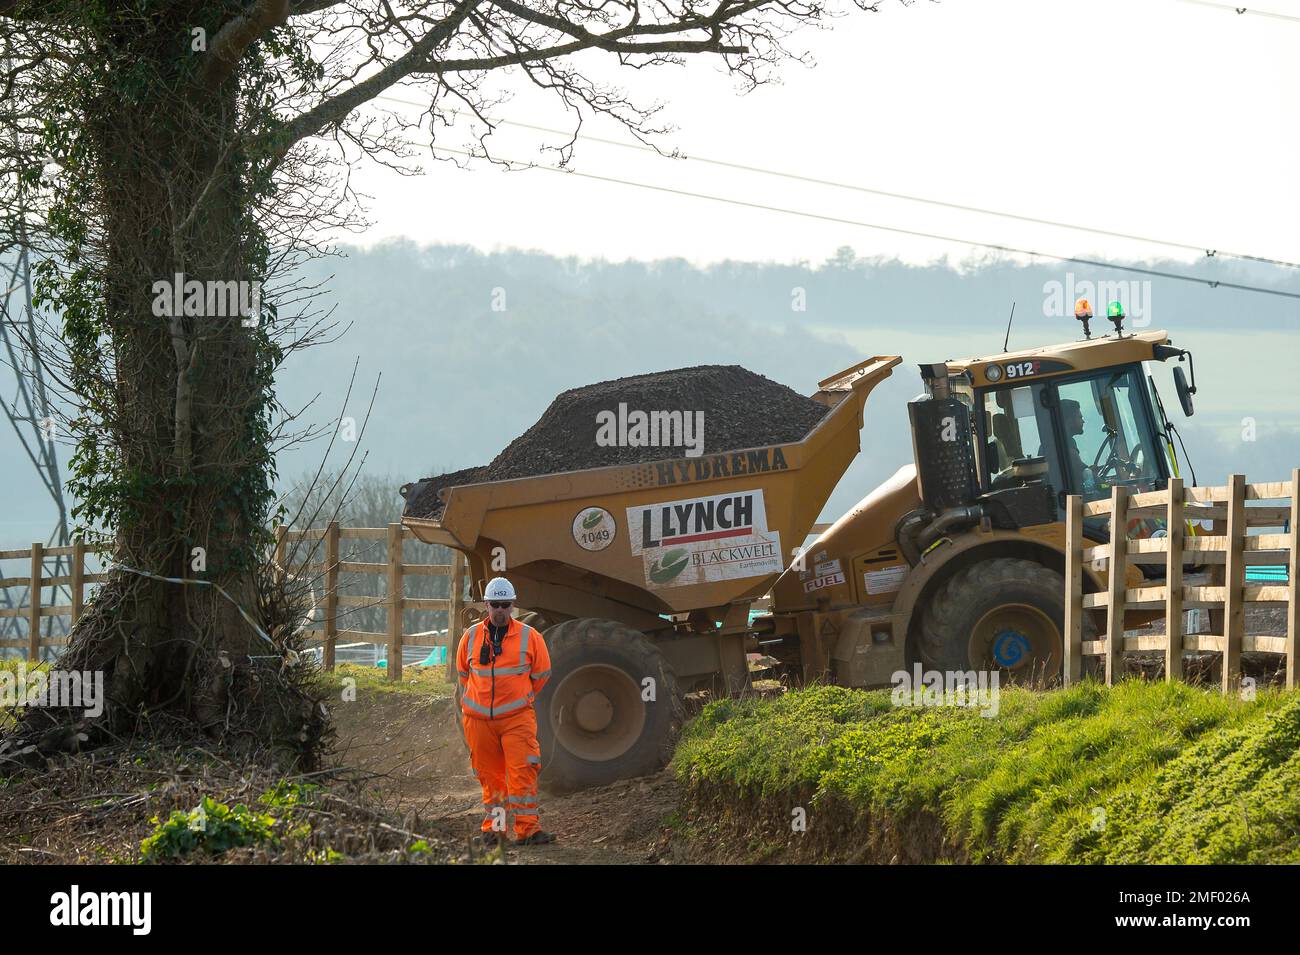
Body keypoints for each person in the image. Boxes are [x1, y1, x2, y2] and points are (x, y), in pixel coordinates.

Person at [456, 576, 556, 846]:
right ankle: (495, 831)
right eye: (495, 605)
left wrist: (519, 699)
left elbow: (542, 675)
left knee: (522, 773)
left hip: (517, 720)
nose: (500, 610)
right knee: (492, 780)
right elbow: (464, 675)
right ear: (486, 605)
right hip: (478, 723)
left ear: (513, 605)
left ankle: (528, 831)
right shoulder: (471, 636)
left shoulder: (530, 637)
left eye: (505, 605)